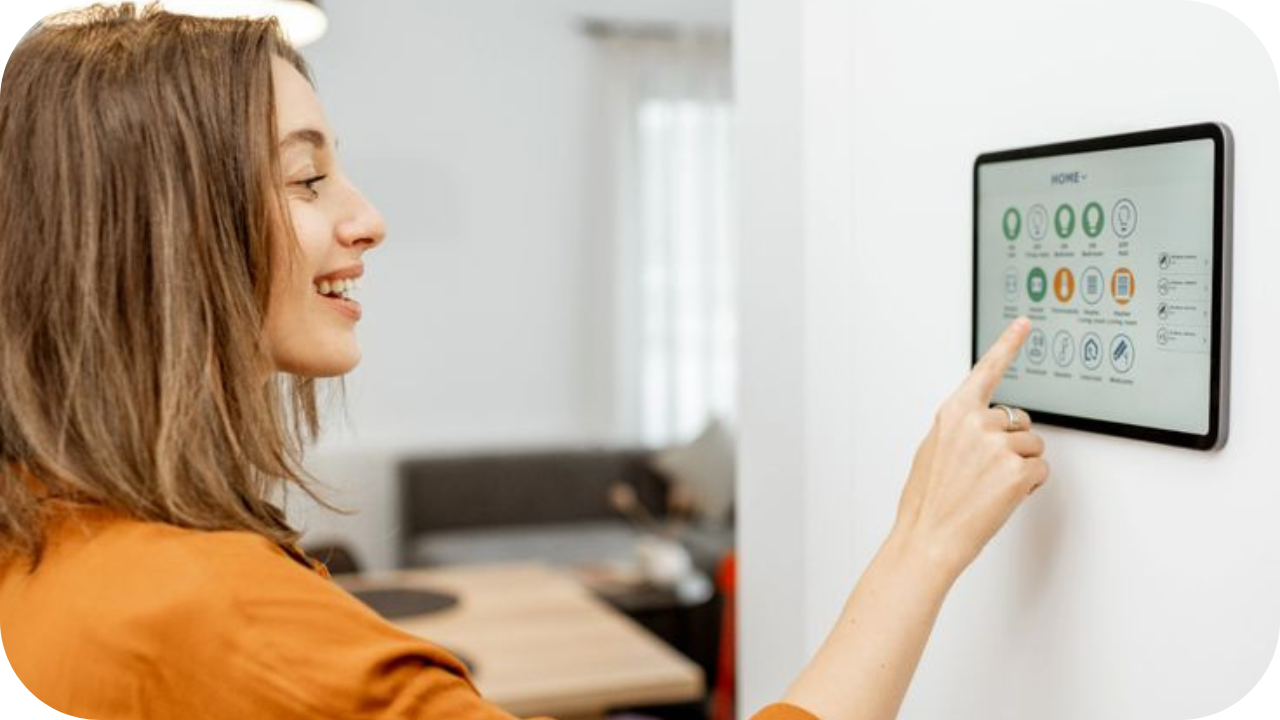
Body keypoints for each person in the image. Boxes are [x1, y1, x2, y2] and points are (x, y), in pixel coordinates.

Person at [0, 6, 1048, 720]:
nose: (366, 218)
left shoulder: (45, 534)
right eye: (307, 180)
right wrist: (922, 540)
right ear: (167, 233)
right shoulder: (216, 614)